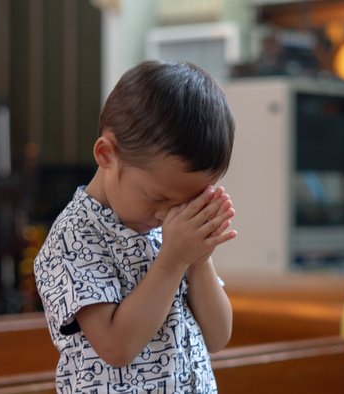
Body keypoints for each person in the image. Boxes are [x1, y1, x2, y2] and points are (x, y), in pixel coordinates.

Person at [34, 60, 237, 393]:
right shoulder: (74, 235)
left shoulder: (171, 233)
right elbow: (116, 347)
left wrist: (198, 260)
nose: (166, 215)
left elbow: (218, 337)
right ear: (106, 154)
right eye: (156, 197)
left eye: (185, 203)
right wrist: (173, 260)